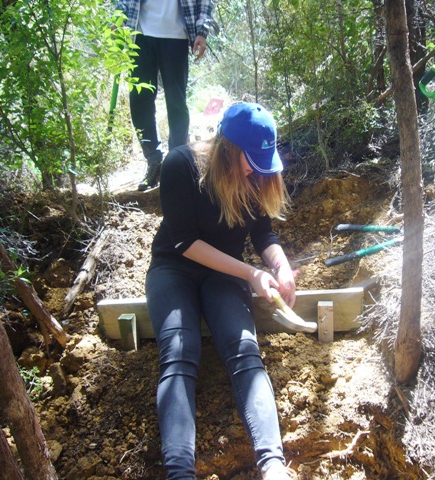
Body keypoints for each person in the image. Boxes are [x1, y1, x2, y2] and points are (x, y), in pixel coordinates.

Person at [145, 102, 298, 480]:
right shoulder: (180, 165)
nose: (257, 171)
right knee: (179, 352)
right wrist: (251, 273)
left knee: (245, 349)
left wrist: (280, 266)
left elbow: (263, 234)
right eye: (252, 160)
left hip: (225, 274)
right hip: (174, 267)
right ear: (229, 148)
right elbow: (185, 243)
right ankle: (180, 473)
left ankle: (273, 465)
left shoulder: (256, 174)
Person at [115, 0, 214, 191]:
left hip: (176, 36)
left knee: (177, 103)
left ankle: (177, 163)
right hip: (140, 34)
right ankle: (154, 161)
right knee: (139, 101)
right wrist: (119, 17)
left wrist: (202, 31)